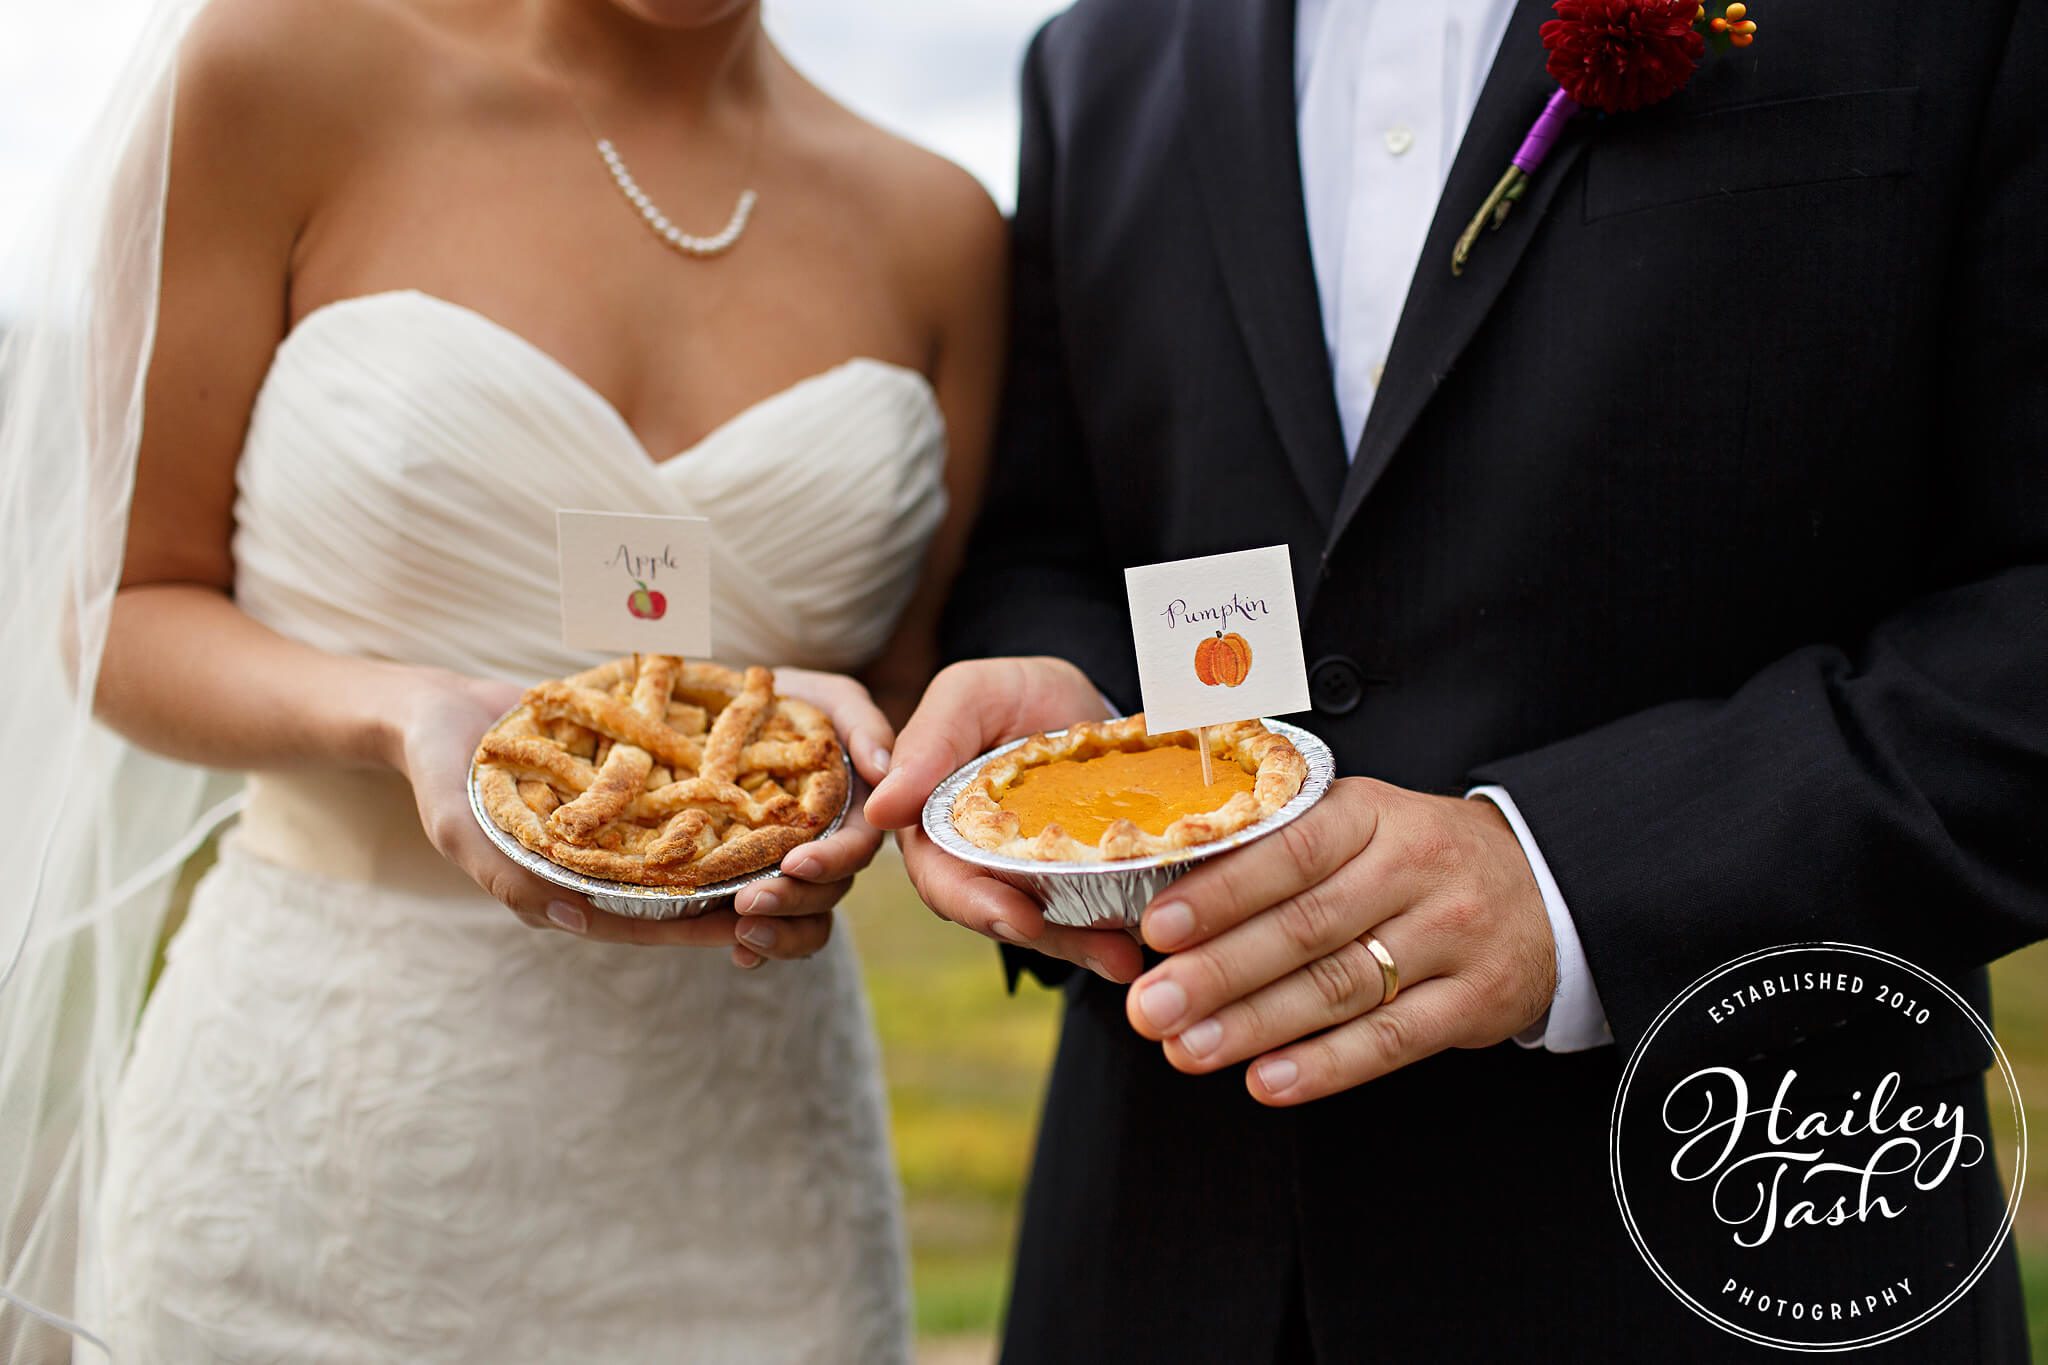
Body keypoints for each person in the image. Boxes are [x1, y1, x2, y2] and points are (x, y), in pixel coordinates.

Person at [867, 0, 2046, 1359]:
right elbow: (1049, 548)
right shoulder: (1095, 57)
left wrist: (1569, 882)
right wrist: (1062, 698)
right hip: (1166, 1254)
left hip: (1737, 1226)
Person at [0, 0, 1002, 1358]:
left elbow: (889, 677)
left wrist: (848, 769)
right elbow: (123, 603)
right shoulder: (272, 73)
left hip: (756, 1198)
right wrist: (400, 711)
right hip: (319, 1157)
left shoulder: (939, 223)